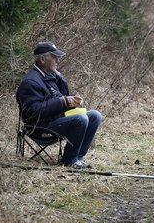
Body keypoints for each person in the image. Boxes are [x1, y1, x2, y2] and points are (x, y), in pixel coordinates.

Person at [16, 41, 102, 169]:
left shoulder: (50, 76)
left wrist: (71, 100)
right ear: (42, 59)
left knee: (95, 115)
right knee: (81, 119)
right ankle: (69, 160)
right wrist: (63, 101)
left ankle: (78, 157)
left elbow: (61, 97)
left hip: (55, 121)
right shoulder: (30, 82)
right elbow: (31, 112)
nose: (58, 60)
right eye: (55, 57)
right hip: (40, 128)